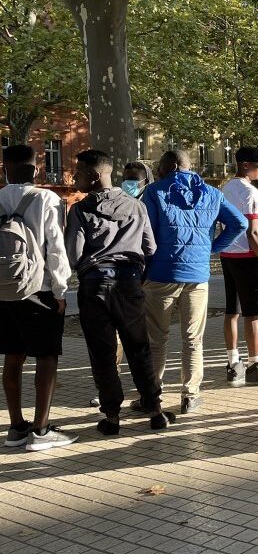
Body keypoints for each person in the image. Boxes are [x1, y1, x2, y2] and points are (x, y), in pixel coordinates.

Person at [65, 149, 174, 434]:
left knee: (103, 354)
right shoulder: (137, 206)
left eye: (78, 172)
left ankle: (112, 417)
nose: (74, 176)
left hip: (94, 287)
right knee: (139, 349)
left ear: (95, 175)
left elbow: (74, 256)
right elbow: (150, 247)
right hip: (129, 283)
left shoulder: (80, 210)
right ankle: (155, 410)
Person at [143, 150, 247, 414]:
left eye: (160, 167)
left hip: (161, 275)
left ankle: (152, 396)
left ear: (172, 166)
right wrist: (211, 249)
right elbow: (240, 224)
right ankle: (190, 395)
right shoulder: (213, 193)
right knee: (193, 340)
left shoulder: (155, 191)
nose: (157, 172)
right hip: (198, 276)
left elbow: (148, 236)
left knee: (156, 340)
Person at [1, 144, 74, 451]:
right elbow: (56, 248)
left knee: (12, 357)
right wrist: (60, 290)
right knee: (46, 357)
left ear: (5, 168)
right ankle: (41, 430)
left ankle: (16, 429)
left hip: (3, 291)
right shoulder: (47, 198)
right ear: (36, 168)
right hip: (39, 290)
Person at [221, 146, 258, 387]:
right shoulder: (250, 192)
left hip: (228, 254)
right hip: (248, 256)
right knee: (253, 314)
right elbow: (253, 231)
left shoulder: (225, 188)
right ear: (245, 165)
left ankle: (233, 364)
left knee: (232, 311)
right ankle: (255, 364)